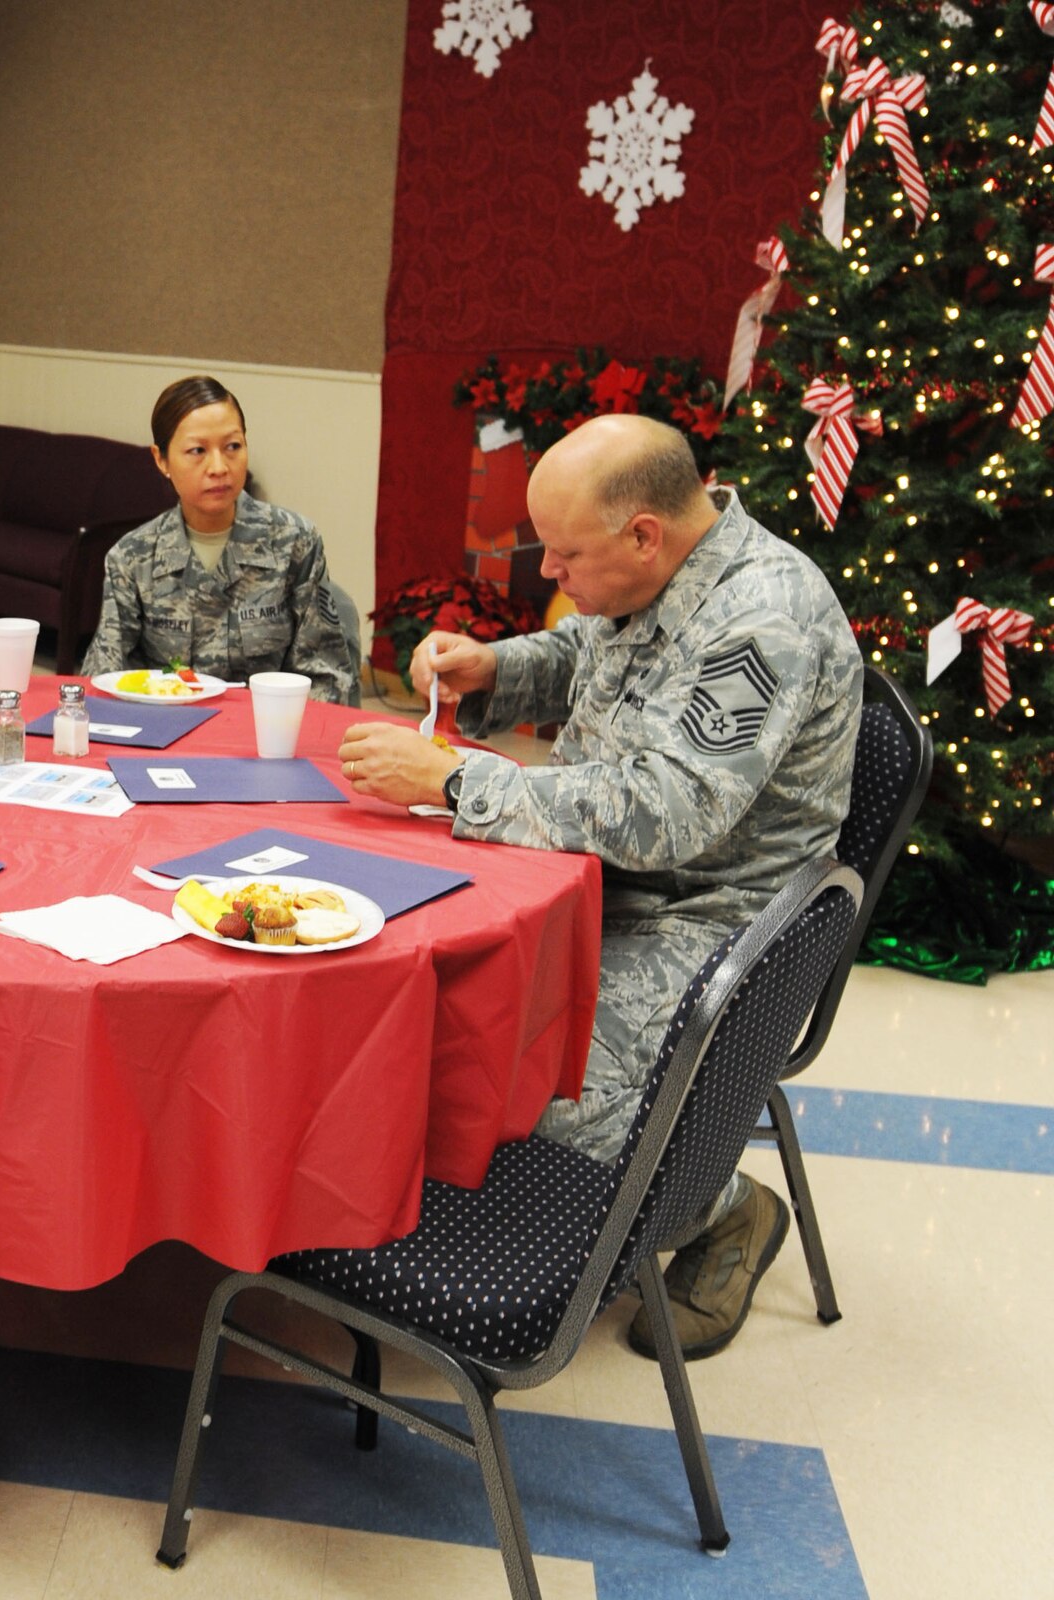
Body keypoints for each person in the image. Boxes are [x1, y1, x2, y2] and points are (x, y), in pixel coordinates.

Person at [335, 414, 861, 1359]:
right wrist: (498, 667)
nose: (550, 576)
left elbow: (673, 811)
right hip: (591, 876)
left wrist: (457, 779)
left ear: (644, 534)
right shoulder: (666, 565)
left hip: (706, 920)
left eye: (564, 555)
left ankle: (723, 1207)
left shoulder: (763, 619)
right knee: (405, 977)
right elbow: (594, 655)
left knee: (532, 1072)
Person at [80, 376, 354, 703]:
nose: (219, 467)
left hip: (267, 736)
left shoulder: (294, 541)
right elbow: (103, 677)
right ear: (161, 459)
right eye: (197, 451)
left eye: (232, 447)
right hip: (163, 737)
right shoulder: (131, 557)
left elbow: (327, 677)